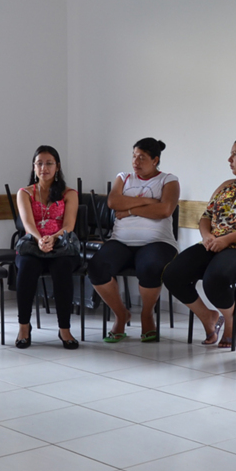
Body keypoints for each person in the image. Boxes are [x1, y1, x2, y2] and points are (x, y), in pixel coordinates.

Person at [162, 137, 236, 349]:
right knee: (173, 274)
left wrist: (226, 239)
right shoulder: (226, 186)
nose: (229, 159)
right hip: (214, 244)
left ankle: (231, 321)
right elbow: (206, 216)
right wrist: (207, 236)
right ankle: (209, 317)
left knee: (215, 278)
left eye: (235, 154)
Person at [87, 138, 180, 342]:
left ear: (155, 160)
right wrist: (148, 201)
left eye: (142, 158)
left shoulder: (169, 180)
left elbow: (164, 210)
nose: (135, 162)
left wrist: (128, 209)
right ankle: (121, 314)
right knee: (96, 267)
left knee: (150, 267)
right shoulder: (124, 177)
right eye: (134, 156)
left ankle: (147, 315)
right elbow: (113, 201)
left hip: (158, 243)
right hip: (121, 242)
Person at [14, 146, 81, 350]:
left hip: (61, 245)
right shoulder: (24, 192)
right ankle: (24, 327)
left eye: (49, 163)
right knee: (26, 268)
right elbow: (27, 225)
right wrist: (40, 239)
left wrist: (52, 238)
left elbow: (69, 226)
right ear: (34, 167)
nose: (44, 167)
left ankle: (64, 329)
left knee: (62, 269)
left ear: (57, 167)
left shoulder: (69, 193)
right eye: (39, 163)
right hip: (32, 246)